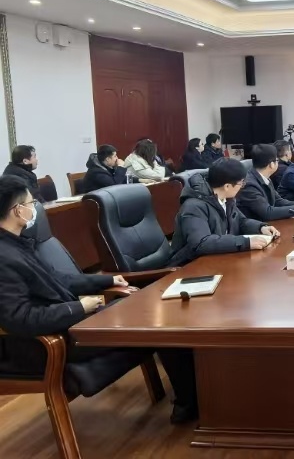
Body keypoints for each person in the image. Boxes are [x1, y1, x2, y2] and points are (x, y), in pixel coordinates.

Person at [0, 175, 198, 423]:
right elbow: (21, 318)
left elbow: (59, 279)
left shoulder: (19, 244)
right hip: (48, 343)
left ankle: (194, 398)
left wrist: (106, 281)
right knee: (157, 321)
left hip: (67, 325)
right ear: (18, 211)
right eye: (31, 204)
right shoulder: (4, 258)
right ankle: (192, 404)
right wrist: (80, 307)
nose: (35, 209)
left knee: (155, 309)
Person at [169, 158, 279, 266]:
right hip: (189, 266)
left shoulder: (227, 199)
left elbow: (240, 221)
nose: (242, 187)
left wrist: (260, 227)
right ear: (227, 186)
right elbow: (201, 243)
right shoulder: (193, 206)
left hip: (217, 259)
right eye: (241, 183)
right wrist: (245, 242)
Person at [237, 144, 294, 222]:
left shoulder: (265, 178)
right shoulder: (249, 185)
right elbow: (267, 213)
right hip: (257, 226)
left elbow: (278, 201)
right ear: (271, 164)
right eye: (277, 160)